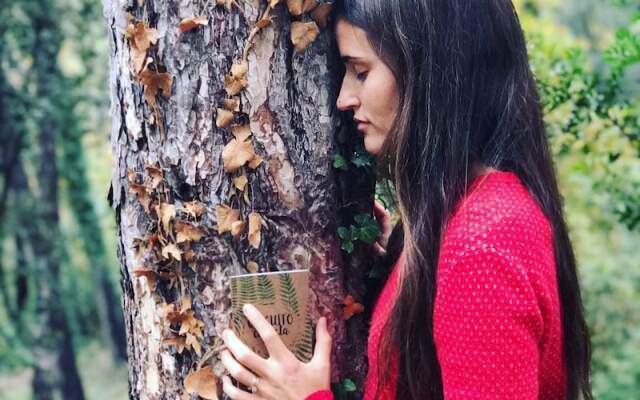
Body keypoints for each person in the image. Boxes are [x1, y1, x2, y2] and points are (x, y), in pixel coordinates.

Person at [219, 0, 593, 399]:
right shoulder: (474, 215)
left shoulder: (480, 247)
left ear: (432, 74)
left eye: (361, 72)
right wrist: (394, 269)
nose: (344, 98)